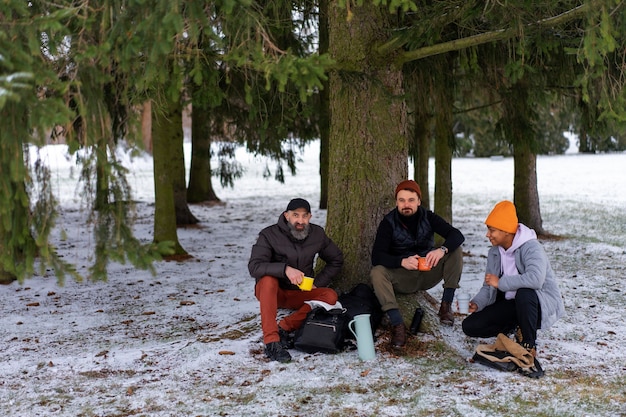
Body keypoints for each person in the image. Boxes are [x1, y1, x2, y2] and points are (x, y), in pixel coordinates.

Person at [461, 200, 565, 357]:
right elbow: (488, 285)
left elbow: (536, 279)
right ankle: (515, 327)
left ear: (506, 232)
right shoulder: (494, 252)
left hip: (537, 304)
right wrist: (477, 303)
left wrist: (501, 282)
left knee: (525, 292)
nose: (487, 235)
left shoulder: (531, 247)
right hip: (511, 304)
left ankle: (528, 343)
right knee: (470, 326)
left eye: (491, 230)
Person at [370, 180, 465, 348]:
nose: (406, 204)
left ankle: (445, 306)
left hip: (428, 272)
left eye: (411, 200)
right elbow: (377, 257)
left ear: (419, 201)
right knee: (377, 272)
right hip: (402, 276)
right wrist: (402, 261)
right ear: (397, 202)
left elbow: (457, 235)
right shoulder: (388, 222)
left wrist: (441, 250)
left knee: (455, 250)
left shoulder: (428, 217)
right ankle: (397, 325)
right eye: (402, 200)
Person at [248, 198, 343, 363]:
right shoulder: (269, 235)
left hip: (300, 293)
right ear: (286, 216)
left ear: (310, 217)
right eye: (295, 215)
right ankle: (271, 342)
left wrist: (318, 283)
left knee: (330, 295)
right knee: (268, 280)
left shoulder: (317, 234)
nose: (300, 221)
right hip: (273, 293)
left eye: (304, 216)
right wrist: (284, 269)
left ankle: (285, 327)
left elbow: (336, 259)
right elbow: (255, 267)